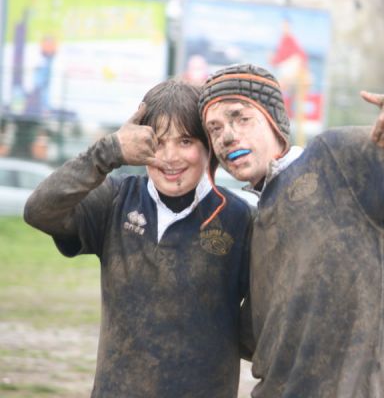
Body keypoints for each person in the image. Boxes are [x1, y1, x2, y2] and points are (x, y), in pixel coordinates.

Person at [197, 64, 384, 398]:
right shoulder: (255, 221)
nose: (227, 136)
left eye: (240, 117)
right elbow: (255, 338)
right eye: (214, 129)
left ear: (272, 118)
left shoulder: (334, 161)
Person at [24, 78, 253, 398]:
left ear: (208, 147)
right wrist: (107, 152)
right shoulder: (115, 200)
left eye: (186, 141)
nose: (170, 157)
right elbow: (39, 211)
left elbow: (264, 322)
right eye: (157, 142)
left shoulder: (238, 219)